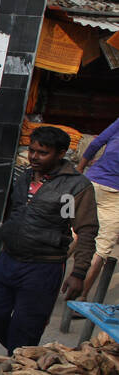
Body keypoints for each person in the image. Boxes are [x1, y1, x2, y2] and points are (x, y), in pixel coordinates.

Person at [0, 125, 97, 352]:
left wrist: (79, 273)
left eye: (42, 153)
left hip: (43, 267)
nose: (34, 157)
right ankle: (24, 355)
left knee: (27, 326)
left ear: (61, 153)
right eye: (32, 150)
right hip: (9, 260)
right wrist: (0, 253)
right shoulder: (23, 178)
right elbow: (14, 217)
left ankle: (18, 364)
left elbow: (86, 231)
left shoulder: (75, 186)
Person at [77, 117, 119, 298]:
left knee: (72, 233)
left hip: (91, 182)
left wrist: (79, 170)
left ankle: (47, 288)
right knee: (101, 248)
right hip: (115, 194)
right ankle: (79, 299)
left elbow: (98, 142)